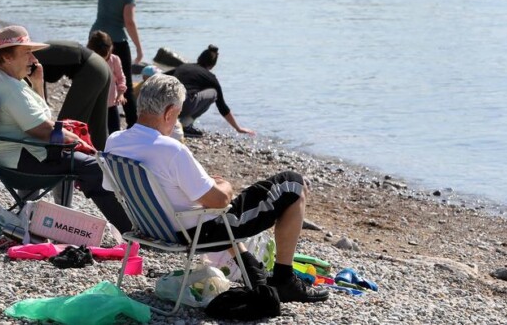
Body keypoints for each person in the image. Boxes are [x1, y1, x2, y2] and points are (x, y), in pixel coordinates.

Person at [104, 75, 329, 303]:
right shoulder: (170, 150)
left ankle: (253, 270)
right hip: (194, 232)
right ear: (170, 111)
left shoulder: (115, 141)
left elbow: (117, 189)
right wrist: (224, 185)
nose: (176, 121)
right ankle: (284, 280)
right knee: (292, 184)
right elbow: (220, 201)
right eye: (178, 114)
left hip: (151, 227)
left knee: (217, 205)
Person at [0, 26, 132, 234]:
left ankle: (49, 215)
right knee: (94, 166)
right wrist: (82, 144)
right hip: (21, 163)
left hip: (13, 155)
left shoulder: (3, 81)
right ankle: (130, 229)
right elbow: (43, 129)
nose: (33, 59)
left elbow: (41, 119)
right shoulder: (11, 89)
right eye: (27, 53)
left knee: (83, 159)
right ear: (6, 57)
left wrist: (38, 84)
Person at [30, 39, 113, 150]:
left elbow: (34, 94)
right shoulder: (32, 51)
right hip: (101, 65)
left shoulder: (24, 59)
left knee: (66, 125)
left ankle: (63, 160)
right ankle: (101, 159)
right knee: (97, 123)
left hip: (91, 69)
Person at [90, 0, 145, 116]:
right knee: (124, 82)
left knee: (99, 78)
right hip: (116, 41)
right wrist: (139, 49)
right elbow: (129, 22)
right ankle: (133, 122)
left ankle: (100, 116)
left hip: (95, 37)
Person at [168, 45, 254, 138]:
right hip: (183, 106)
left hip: (168, 104)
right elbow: (222, 106)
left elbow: (161, 76)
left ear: (199, 58)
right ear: (213, 65)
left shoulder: (183, 67)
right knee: (214, 93)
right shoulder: (210, 77)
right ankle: (186, 125)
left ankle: (172, 120)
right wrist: (238, 128)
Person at [88, 30, 128, 135]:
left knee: (114, 132)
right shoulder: (88, 61)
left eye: (105, 55)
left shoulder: (114, 60)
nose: (102, 59)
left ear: (110, 48)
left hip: (111, 105)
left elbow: (121, 78)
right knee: (94, 133)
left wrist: (121, 93)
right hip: (94, 106)